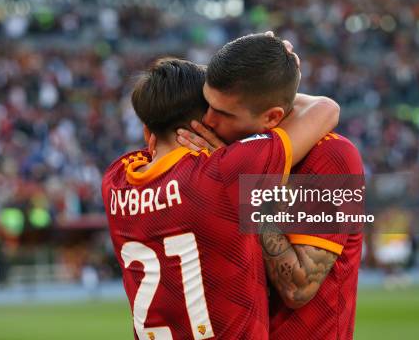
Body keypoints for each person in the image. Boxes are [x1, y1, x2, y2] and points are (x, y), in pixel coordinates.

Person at [102, 57, 339, 339]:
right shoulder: (224, 172)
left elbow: (157, 146)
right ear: (206, 123)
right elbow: (326, 109)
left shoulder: (115, 181)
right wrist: (259, 82)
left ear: (146, 133)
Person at [177, 32, 364, 340]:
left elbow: (299, 286)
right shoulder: (225, 149)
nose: (207, 119)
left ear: (272, 117)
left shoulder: (330, 157)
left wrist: (238, 191)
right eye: (207, 104)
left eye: (223, 113)